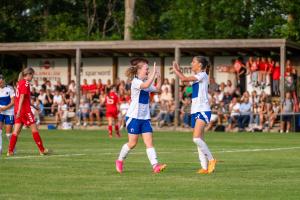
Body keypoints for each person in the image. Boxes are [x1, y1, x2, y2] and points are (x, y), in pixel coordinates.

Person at [115, 58, 166, 174]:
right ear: (139, 70)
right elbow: (146, 84)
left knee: (149, 143)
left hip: (145, 118)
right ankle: (119, 160)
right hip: (133, 117)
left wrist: (159, 77)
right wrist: (153, 75)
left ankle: (155, 166)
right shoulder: (136, 82)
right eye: (146, 69)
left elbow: (157, 89)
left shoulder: (145, 83)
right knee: (132, 143)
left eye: (148, 69)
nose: (148, 71)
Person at [173, 56, 217, 174]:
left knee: (196, 138)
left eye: (193, 62)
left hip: (203, 110)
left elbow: (183, 79)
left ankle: (212, 160)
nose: (191, 63)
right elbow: (186, 79)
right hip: (195, 110)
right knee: (200, 139)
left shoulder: (202, 74)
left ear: (200, 65)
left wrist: (176, 70)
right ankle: (204, 167)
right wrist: (179, 71)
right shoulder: (198, 77)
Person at [7, 67, 49, 156]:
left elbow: (26, 99)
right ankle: (42, 150)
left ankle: (10, 151)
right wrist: (19, 110)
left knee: (16, 131)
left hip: (19, 110)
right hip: (24, 111)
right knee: (34, 130)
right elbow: (22, 97)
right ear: (28, 74)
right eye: (32, 75)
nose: (32, 77)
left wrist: (34, 106)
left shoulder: (19, 83)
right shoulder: (26, 83)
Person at [0, 75, 15, 155]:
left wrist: (5, 108)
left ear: (4, 81)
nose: (0, 84)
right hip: (0, 112)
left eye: (1, 82)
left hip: (9, 112)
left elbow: (13, 102)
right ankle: (0, 149)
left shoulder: (10, 89)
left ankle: (12, 148)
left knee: (8, 134)